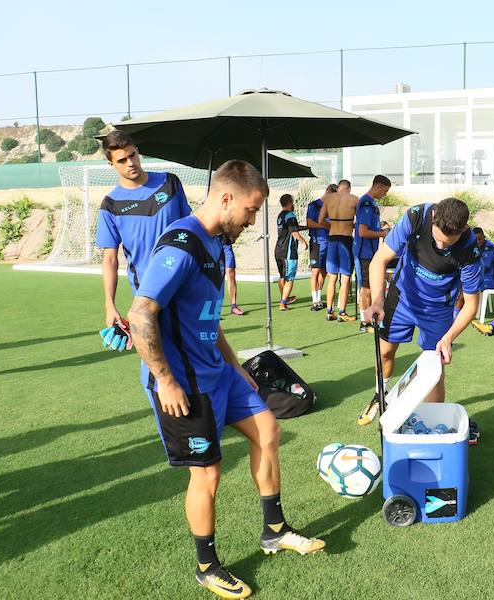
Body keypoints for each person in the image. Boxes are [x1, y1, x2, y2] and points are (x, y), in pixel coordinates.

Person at [128, 160, 324, 600]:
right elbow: (140, 313)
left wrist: (236, 368)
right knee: (208, 475)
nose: (254, 221)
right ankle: (207, 565)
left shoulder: (217, 243)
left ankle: (274, 530)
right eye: (252, 211)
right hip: (184, 385)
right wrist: (165, 380)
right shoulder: (181, 244)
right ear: (227, 198)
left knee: (269, 431)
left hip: (219, 373)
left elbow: (207, 318)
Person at [360, 199, 483, 441]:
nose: (440, 245)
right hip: (402, 297)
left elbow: (471, 305)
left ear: (463, 230)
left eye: (448, 242)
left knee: (433, 370)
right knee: (384, 353)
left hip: (437, 309)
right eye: (437, 238)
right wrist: (376, 301)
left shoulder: (470, 250)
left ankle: (434, 425)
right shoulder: (416, 217)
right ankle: (380, 395)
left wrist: (448, 338)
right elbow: (379, 260)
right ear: (434, 217)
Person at [95, 130, 191, 347]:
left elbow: (191, 229)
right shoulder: (110, 205)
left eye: (133, 155)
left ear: (138, 152)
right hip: (148, 295)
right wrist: (110, 305)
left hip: (185, 285)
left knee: (198, 356)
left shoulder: (170, 183)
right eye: (122, 160)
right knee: (157, 361)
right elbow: (110, 259)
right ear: (112, 164)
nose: (130, 163)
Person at [354, 175, 392, 332]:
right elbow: (362, 231)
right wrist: (382, 234)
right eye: (385, 190)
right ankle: (364, 323)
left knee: (371, 286)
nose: (385, 194)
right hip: (364, 252)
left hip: (371, 252)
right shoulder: (366, 203)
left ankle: (371, 319)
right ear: (377, 186)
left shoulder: (372, 204)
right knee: (366, 288)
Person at [318, 179, 359, 322]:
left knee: (332, 276)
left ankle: (329, 311)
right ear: (349, 188)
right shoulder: (354, 199)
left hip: (332, 239)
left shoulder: (329, 199)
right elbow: (360, 222)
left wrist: (332, 226)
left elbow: (320, 220)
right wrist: (350, 225)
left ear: (339, 188)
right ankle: (342, 311)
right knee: (346, 276)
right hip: (345, 240)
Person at [455, 227, 494, 312]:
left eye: (480, 239)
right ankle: (458, 310)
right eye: (476, 240)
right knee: (457, 283)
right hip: (485, 276)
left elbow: (483, 268)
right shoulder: (472, 246)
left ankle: (462, 312)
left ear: (484, 237)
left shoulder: (490, 248)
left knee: (466, 286)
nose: (478, 242)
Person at [274, 194, 307, 311]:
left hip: (278, 250)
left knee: (282, 276)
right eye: (292, 202)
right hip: (288, 252)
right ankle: (283, 303)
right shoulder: (290, 215)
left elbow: (293, 227)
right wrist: (303, 242)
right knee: (290, 278)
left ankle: (284, 297)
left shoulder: (280, 216)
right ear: (289, 203)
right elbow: (294, 232)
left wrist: (308, 227)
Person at [305, 184, 336, 311]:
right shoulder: (314, 205)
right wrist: (324, 225)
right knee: (315, 271)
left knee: (324, 271)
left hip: (329, 243)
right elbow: (309, 223)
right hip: (317, 243)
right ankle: (315, 301)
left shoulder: (332, 207)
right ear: (328, 193)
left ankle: (319, 297)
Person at [223, 240, 244, 315]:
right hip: (212, 243)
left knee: (231, 271)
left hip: (226, 244)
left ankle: (234, 306)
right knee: (213, 274)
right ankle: (211, 309)